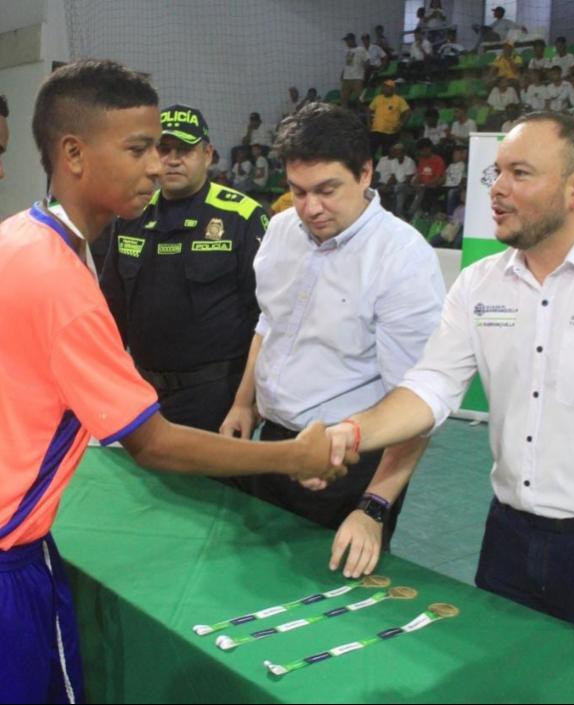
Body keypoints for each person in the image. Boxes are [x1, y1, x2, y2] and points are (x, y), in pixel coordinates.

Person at [0, 59, 345, 705]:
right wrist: (293, 454)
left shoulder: (19, 237)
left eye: (161, 149)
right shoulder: (63, 281)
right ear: (73, 153)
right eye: (137, 149)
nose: (156, 166)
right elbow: (153, 443)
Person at [319, 113, 574, 647]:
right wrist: (352, 432)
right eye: (496, 173)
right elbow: (429, 389)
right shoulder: (479, 283)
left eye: (519, 174)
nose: (496, 189)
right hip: (506, 536)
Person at [219, 103, 445, 579]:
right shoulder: (281, 230)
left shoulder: (402, 259)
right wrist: (244, 403)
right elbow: (271, 323)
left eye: (327, 190)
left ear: (365, 173)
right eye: (297, 191)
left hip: (348, 467)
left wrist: (374, 507)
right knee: (253, 585)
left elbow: (418, 401)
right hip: (274, 447)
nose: (310, 208)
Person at [99, 104, 268, 432]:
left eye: (185, 150)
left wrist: (246, 400)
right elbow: (111, 311)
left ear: (208, 154)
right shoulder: (130, 215)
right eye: (164, 149)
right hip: (143, 395)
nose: (173, 159)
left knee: (216, 485)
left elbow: (265, 318)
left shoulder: (242, 217)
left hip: (218, 397)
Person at [367, 79, 411, 157]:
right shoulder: (378, 98)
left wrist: (401, 124)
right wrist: (369, 123)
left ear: (393, 89)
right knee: (370, 153)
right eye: (384, 87)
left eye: (387, 87)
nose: (385, 89)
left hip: (390, 132)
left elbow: (407, 112)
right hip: (376, 130)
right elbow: (369, 110)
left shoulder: (399, 100)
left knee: (387, 155)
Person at [375, 142, 417, 216]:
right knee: (381, 189)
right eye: (396, 153)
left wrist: (395, 186)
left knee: (399, 188)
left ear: (404, 153)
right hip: (398, 186)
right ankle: (386, 213)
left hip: (409, 186)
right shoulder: (394, 161)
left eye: (399, 153)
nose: (398, 155)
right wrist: (386, 186)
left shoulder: (409, 161)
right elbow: (393, 176)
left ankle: (397, 215)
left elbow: (408, 179)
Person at [340, 33, 368, 107]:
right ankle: (344, 117)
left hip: (357, 78)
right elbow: (347, 64)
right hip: (346, 78)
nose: (346, 42)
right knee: (343, 99)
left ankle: (366, 114)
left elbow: (367, 61)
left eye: (347, 40)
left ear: (352, 39)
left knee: (361, 99)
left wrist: (364, 74)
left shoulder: (361, 49)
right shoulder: (348, 51)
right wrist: (343, 74)